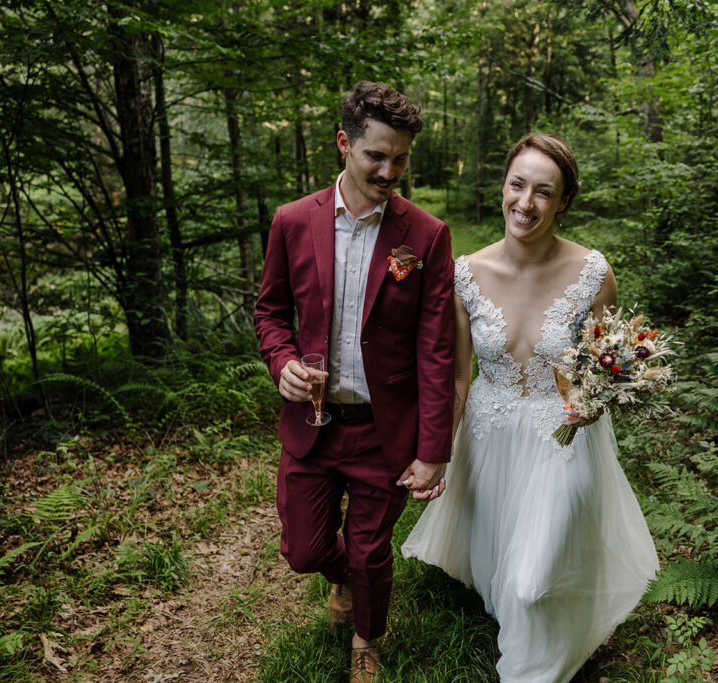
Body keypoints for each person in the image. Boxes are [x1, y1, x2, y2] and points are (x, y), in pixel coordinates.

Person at [402, 133, 659, 682]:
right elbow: (457, 377)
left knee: (530, 581)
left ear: (563, 202)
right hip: (490, 433)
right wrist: (438, 451)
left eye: (544, 192)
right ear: (503, 187)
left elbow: (603, 361)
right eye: (517, 185)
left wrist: (595, 401)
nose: (526, 202)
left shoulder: (593, 273)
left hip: (562, 432)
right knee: (503, 572)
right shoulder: (465, 274)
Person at [254, 81, 455, 683]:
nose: (389, 170)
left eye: (401, 158)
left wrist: (433, 450)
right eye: (376, 155)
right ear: (345, 144)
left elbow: (436, 347)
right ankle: (335, 576)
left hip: (381, 430)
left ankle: (367, 641)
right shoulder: (292, 222)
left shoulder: (426, 236)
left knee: (371, 550)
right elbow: (269, 312)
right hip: (311, 425)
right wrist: (281, 359)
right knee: (304, 551)